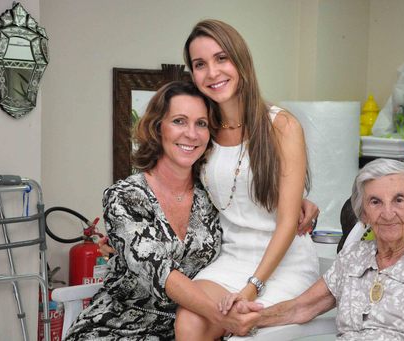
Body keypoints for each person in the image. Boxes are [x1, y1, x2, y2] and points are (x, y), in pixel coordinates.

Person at [64, 81, 258, 340]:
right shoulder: (125, 196)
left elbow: (253, 211)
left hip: (189, 326)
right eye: (179, 121)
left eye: (201, 123)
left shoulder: (213, 195)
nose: (191, 133)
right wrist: (222, 317)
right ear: (158, 128)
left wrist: (300, 205)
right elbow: (160, 272)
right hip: (118, 326)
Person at [174, 19, 320, 339]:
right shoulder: (202, 132)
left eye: (221, 58)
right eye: (200, 64)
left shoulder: (281, 126)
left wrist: (251, 289)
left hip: (285, 263)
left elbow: (285, 223)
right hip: (231, 259)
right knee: (188, 321)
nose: (212, 73)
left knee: (249, 330)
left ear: (241, 60)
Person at [226, 158, 404, 340]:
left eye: (398, 200)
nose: (387, 213)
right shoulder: (354, 257)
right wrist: (252, 318)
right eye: (375, 202)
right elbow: (302, 307)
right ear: (363, 213)